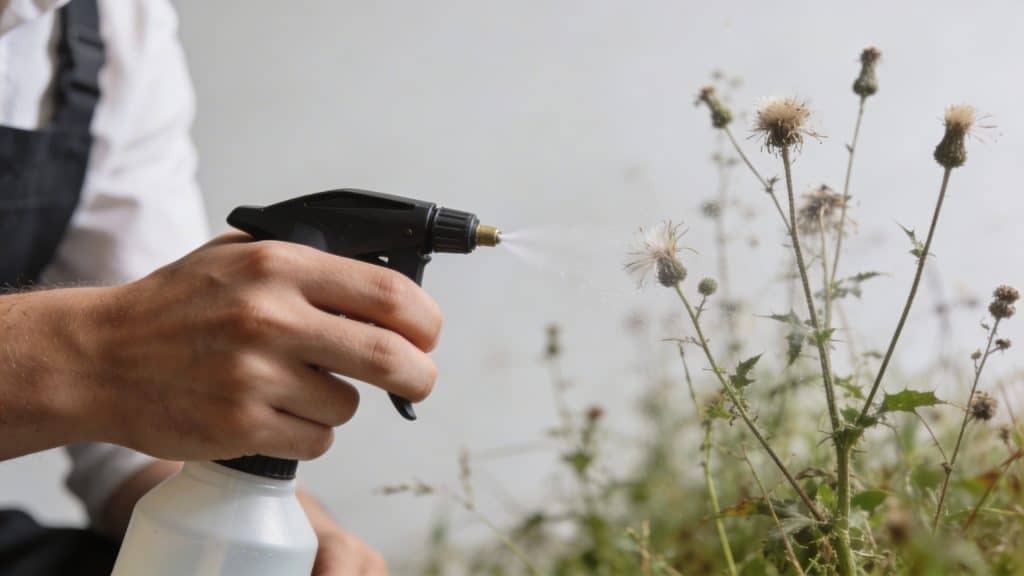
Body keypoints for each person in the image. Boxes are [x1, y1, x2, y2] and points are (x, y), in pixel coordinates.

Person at [0, 1, 443, 574]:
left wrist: (297, 532)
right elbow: (126, 368)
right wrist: (99, 354)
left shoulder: (115, 27)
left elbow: (146, 430)